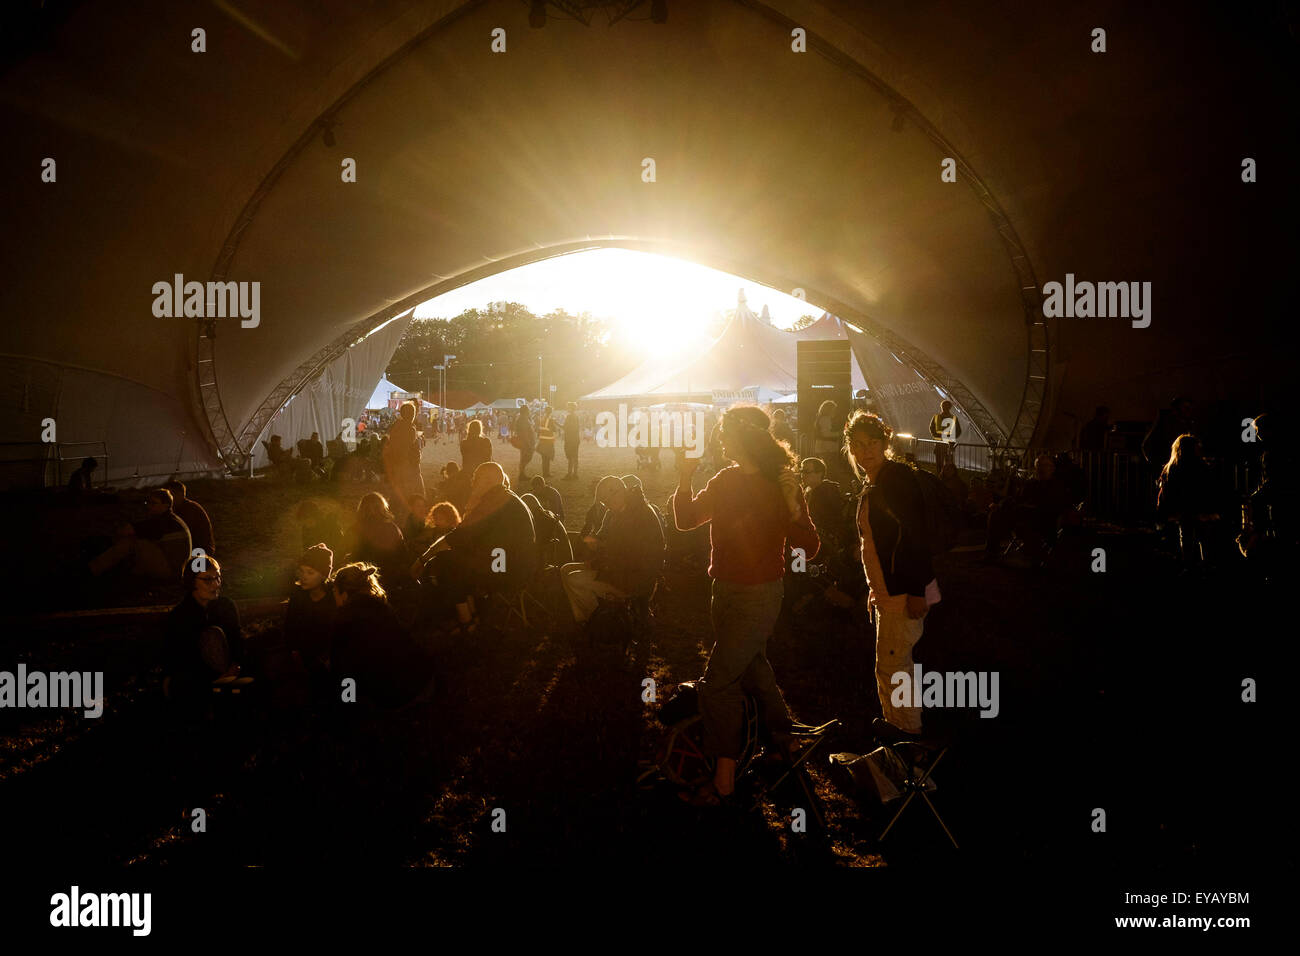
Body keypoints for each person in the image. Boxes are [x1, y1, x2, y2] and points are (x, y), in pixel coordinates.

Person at [671, 405, 819, 805]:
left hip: (760, 595)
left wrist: (792, 506)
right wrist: (684, 478)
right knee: (751, 666)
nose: (720, 440)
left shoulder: (782, 483)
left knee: (719, 682)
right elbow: (686, 519)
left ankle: (723, 780)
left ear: (744, 437)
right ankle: (783, 740)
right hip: (723, 590)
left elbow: (810, 547)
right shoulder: (724, 480)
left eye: (725, 434)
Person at [844, 411, 938, 738]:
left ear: (885, 443)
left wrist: (915, 590)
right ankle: (897, 729)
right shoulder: (878, 480)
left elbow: (915, 535)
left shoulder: (894, 479)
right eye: (857, 445)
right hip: (888, 591)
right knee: (891, 666)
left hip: (901, 592)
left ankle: (907, 736)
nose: (865, 451)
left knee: (895, 667)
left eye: (872, 443)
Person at [413, 462, 537, 628]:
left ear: (488, 481)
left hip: (504, 569)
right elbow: (471, 535)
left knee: (445, 561)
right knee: (457, 560)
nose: (472, 483)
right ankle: (473, 616)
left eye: (475, 479)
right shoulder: (506, 497)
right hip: (512, 565)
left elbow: (457, 536)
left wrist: (422, 559)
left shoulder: (494, 501)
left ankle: (466, 621)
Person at [560, 476, 664, 624]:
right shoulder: (623, 511)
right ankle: (584, 620)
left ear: (618, 493)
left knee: (575, 579)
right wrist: (597, 549)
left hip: (635, 579)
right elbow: (616, 548)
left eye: (606, 500)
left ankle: (602, 622)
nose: (606, 505)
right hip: (621, 571)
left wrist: (596, 562)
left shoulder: (638, 515)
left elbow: (626, 556)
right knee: (565, 570)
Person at [330, 563, 434, 710]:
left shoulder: (345, 618)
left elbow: (343, 666)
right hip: (423, 682)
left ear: (343, 592)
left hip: (396, 696)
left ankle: (349, 706)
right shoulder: (382, 607)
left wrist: (348, 701)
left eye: (334, 590)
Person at [164, 557, 243, 707]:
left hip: (230, 671)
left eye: (218, 577)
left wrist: (235, 664)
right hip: (197, 679)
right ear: (192, 581)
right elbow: (178, 656)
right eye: (207, 580)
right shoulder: (180, 616)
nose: (215, 584)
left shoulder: (226, 607)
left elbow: (236, 640)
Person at [1156, 434, 1231, 568]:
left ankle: (1188, 565)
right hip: (1200, 506)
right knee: (1204, 537)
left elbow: (1168, 490)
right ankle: (1205, 565)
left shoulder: (1171, 467)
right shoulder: (1201, 465)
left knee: (1186, 536)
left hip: (1183, 507)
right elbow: (1209, 487)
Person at [984, 453, 1073, 564]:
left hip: (1043, 520)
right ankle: (991, 553)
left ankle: (1036, 556)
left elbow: (1053, 507)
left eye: (1045, 466)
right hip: (1022, 516)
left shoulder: (1056, 486)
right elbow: (1018, 499)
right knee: (995, 514)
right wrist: (1003, 504)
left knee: (1019, 520)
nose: (1042, 469)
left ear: (1052, 468)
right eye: (1039, 466)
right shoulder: (1031, 484)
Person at [88, 487, 192, 581]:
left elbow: (127, 530)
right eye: (148, 503)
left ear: (166, 506)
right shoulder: (171, 519)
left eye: (154, 503)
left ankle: (92, 570)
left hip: (171, 571)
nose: (149, 506)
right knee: (138, 543)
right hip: (176, 568)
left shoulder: (161, 521)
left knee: (130, 543)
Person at [284, 544, 337, 702]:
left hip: (330, 658)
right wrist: (294, 651)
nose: (304, 577)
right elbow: (290, 626)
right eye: (301, 571)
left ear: (323, 574)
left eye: (310, 572)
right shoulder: (298, 596)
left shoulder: (334, 598)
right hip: (304, 656)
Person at [345, 492, 408, 586]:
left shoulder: (354, 529)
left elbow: (347, 553)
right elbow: (403, 554)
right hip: (390, 578)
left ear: (362, 509)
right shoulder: (392, 528)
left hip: (363, 578)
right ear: (382, 507)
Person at [383, 401, 425, 508]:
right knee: (415, 492)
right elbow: (408, 448)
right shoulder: (409, 429)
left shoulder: (395, 427)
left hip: (396, 463)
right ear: (412, 414)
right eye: (413, 413)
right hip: (407, 464)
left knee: (398, 490)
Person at [162, 479, 215, 557]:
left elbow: (180, 533)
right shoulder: (178, 508)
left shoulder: (191, 510)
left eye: (169, 495)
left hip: (199, 550)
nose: (167, 499)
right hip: (191, 548)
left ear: (179, 494)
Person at [1142, 397, 1196, 467]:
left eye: (1189, 408)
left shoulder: (1188, 424)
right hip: (1164, 463)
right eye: (1186, 407)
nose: (1188, 411)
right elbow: (1147, 445)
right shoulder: (1166, 422)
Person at [929, 400, 961, 471]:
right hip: (948, 444)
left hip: (940, 444)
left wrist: (937, 437)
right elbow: (958, 431)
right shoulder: (954, 418)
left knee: (940, 464)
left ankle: (940, 477)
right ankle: (946, 478)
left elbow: (931, 429)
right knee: (948, 464)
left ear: (941, 407)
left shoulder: (936, 417)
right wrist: (951, 438)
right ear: (950, 407)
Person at [513, 403, 536, 483]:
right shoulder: (523, 419)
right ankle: (522, 474)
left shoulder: (523, 418)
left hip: (525, 442)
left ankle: (522, 474)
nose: (529, 411)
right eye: (528, 410)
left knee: (524, 458)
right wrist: (529, 443)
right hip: (526, 442)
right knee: (526, 458)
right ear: (526, 411)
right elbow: (524, 433)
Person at [536, 405, 557, 479]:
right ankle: (546, 473)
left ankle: (545, 472)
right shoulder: (550, 420)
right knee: (547, 457)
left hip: (542, 441)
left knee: (544, 458)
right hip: (548, 441)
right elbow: (554, 429)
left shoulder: (542, 419)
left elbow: (539, 430)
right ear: (550, 412)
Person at [563, 402, 581, 479]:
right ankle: (575, 474)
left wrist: (555, 422)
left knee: (570, 456)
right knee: (575, 456)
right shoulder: (576, 417)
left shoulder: (569, 417)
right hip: (576, 439)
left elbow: (565, 427)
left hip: (570, 439)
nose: (567, 408)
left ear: (571, 408)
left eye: (568, 407)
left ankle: (569, 474)